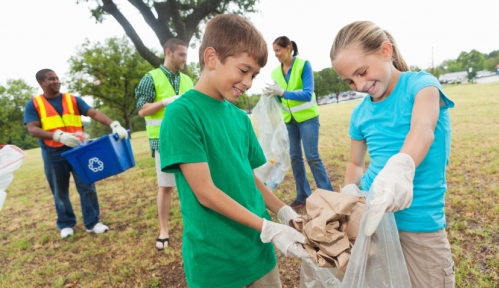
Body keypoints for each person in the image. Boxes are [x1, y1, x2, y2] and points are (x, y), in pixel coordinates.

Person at [159, 14, 308, 288]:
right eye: (243, 70)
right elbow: (205, 193)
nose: (249, 82)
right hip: (216, 263)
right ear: (212, 58)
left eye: (254, 75)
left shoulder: (240, 119)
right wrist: (266, 227)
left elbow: (249, 180)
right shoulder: (182, 114)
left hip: (259, 254)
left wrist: (284, 212)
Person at [331, 21, 455, 287]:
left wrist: (401, 168)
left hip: (419, 224)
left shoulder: (422, 86)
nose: (360, 85)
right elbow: (355, 162)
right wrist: (350, 190)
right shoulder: (360, 113)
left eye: (362, 72)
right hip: (372, 223)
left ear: (386, 51)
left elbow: (423, 130)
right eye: (350, 80)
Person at [24, 69, 128, 238]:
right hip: (53, 153)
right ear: (41, 83)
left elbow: (93, 113)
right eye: (51, 79)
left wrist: (114, 124)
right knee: (60, 191)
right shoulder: (34, 104)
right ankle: (66, 224)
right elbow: (32, 129)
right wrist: (58, 135)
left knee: (87, 186)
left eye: (57, 78)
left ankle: (93, 222)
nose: (56, 81)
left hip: (78, 150)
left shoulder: (72, 99)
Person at [135, 38, 194, 251]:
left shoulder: (188, 80)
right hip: (163, 142)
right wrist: (166, 101)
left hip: (188, 140)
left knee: (192, 186)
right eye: (181, 55)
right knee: (166, 187)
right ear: (168, 52)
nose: (185, 60)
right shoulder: (150, 78)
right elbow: (142, 110)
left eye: (186, 55)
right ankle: (164, 231)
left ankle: (194, 226)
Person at [263, 36, 333, 209]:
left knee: (312, 157)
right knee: (295, 158)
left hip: (308, 118)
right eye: (274, 51)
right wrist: (273, 95)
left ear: (288, 48)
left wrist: (283, 92)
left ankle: (328, 196)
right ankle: (303, 196)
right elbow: (281, 98)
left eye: (278, 50)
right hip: (290, 121)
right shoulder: (275, 73)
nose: (276, 54)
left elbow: (308, 93)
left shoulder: (303, 65)